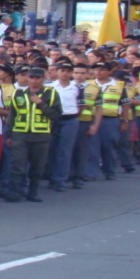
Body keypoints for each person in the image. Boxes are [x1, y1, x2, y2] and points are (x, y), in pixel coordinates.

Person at [2, 67, 63, 203]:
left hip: (41, 135)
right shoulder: (18, 94)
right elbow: (12, 115)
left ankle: (33, 192)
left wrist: (40, 103)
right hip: (20, 134)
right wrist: (9, 134)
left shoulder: (51, 94)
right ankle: (14, 192)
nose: (34, 81)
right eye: (32, 77)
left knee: (37, 166)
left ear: (43, 79)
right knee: (17, 164)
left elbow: (56, 115)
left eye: (37, 78)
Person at [48, 63, 82, 191]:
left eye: (68, 71)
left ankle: (61, 180)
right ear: (57, 72)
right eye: (62, 70)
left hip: (70, 119)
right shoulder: (49, 87)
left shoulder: (76, 87)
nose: (65, 73)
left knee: (65, 151)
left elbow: (81, 105)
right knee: (52, 149)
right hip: (53, 119)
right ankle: (51, 177)